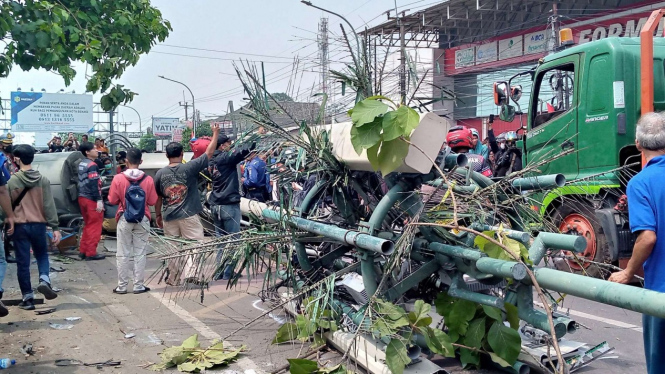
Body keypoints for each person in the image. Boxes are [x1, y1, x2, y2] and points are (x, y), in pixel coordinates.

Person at [608, 112, 665, 374]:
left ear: (638, 144)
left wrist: (628, 272)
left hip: (660, 292)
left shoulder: (640, 183)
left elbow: (648, 237)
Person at [7, 145, 61, 310]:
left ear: (16, 159)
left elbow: (5, 206)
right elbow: (49, 205)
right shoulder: (43, 180)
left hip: (19, 227)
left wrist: (6, 221)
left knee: (23, 262)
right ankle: (44, 280)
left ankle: (28, 298)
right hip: (39, 225)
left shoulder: (12, 181)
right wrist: (55, 227)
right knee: (42, 255)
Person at [155, 124, 220, 238]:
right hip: (189, 216)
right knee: (195, 250)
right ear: (182, 153)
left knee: (174, 251)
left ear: (166, 155)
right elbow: (209, 153)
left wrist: (158, 215)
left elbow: (158, 198)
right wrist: (215, 133)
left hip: (169, 217)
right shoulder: (190, 167)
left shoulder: (160, 174)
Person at [108, 148, 158, 294]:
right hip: (143, 218)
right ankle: (138, 285)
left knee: (122, 253)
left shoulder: (118, 178)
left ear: (126, 161)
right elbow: (153, 200)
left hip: (124, 218)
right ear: (141, 161)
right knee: (140, 252)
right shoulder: (148, 179)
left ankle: (122, 287)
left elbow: (112, 200)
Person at [209, 135, 255, 280]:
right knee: (235, 241)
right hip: (228, 205)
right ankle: (228, 273)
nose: (230, 146)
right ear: (222, 146)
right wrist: (256, 137)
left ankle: (219, 271)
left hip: (215, 205)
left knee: (221, 242)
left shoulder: (210, 160)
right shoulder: (224, 158)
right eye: (228, 144)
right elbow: (242, 152)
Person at [77, 142, 106, 261]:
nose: (97, 150)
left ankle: (83, 251)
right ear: (87, 152)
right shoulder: (92, 165)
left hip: (82, 198)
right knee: (95, 226)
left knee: (88, 225)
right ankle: (91, 253)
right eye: (94, 149)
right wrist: (99, 200)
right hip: (91, 199)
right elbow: (93, 184)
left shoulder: (82, 164)